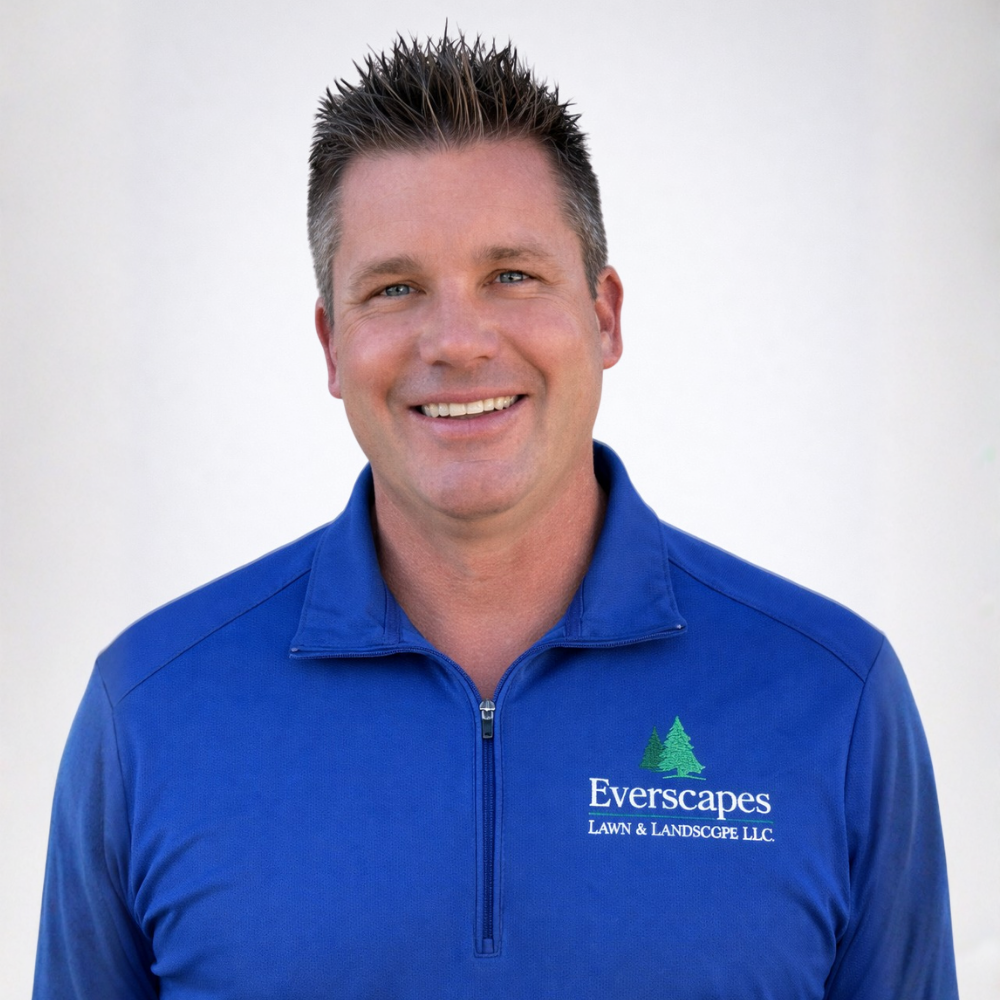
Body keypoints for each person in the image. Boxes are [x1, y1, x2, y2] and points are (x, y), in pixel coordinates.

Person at [33, 32, 958, 999]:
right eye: (395, 289)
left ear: (604, 316)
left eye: (511, 275)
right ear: (332, 344)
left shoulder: (833, 698)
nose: (457, 342)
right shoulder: (151, 711)